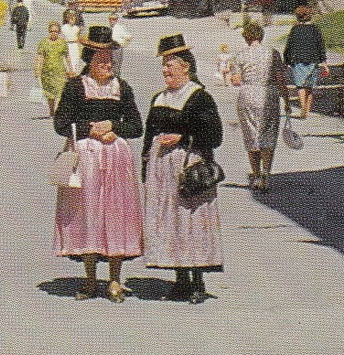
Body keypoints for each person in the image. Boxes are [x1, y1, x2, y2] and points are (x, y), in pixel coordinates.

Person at [52, 23, 143, 303]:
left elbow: (137, 126)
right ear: (89, 60)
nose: (107, 64)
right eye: (101, 59)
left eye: (110, 59)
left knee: (116, 214)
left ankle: (115, 279)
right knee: (87, 213)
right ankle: (91, 279)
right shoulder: (75, 87)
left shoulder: (122, 88)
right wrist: (87, 129)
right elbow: (60, 123)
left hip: (115, 159)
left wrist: (115, 126)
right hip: (86, 160)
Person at [141, 34, 224, 303]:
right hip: (161, 171)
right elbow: (148, 135)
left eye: (171, 64)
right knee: (170, 222)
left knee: (192, 222)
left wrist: (183, 137)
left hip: (190, 168)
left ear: (186, 66)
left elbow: (215, 136)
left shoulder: (200, 97)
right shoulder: (158, 98)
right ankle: (180, 280)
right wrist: (146, 170)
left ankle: (198, 280)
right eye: (164, 64)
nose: (166, 70)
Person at [231, 20, 291, 192]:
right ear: (261, 36)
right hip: (269, 93)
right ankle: (266, 173)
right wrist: (286, 100)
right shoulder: (273, 53)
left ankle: (256, 175)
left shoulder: (240, 55)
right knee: (269, 133)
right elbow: (280, 80)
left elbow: (236, 81)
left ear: (246, 38)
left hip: (248, 94)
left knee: (251, 135)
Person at [283, 5, 329, 119]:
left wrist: (286, 61)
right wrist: (324, 62)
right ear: (309, 16)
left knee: (300, 86)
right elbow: (321, 46)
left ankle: (302, 106)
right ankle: (307, 110)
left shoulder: (294, 30)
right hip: (313, 60)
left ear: (298, 17)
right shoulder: (315, 29)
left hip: (297, 61)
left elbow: (289, 46)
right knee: (310, 87)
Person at [34, 21, 70, 115]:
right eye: (51, 31)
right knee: (50, 94)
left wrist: (70, 69)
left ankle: (57, 110)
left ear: (59, 32)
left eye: (56, 31)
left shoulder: (62, 42)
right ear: (49, 31)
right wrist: (37, 68)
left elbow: (66, 56)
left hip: (60, 71)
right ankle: (51, 110)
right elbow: (40, 56)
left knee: (60, 91)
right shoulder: (44, 42)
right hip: (47, 72)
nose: (54, 33)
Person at [58, 7, 85, 78]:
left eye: (73, 16)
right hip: (67, 46)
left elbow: (79, 40)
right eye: (70, 15)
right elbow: (60, 39)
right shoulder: (63, 27)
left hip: (75, 47)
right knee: (67, 64)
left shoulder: (77, 28)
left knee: (75, 64)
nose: (72, 17)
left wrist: (80, 50)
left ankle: (73, 78)